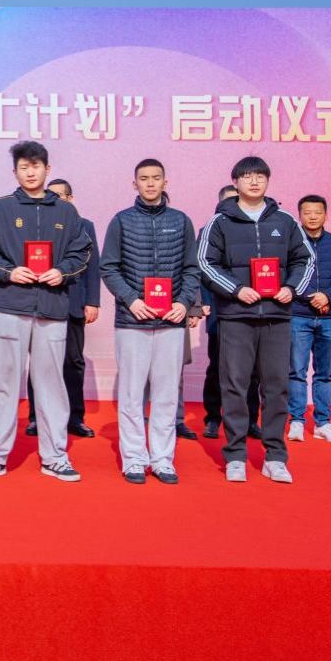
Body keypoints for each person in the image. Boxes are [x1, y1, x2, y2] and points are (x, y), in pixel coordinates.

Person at [0, 141, 92, 482]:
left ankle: (55, 456)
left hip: (52, 308)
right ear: (15, 172)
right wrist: (9, 272)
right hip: (10, 305)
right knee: (4, 383)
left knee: (51, 384)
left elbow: (83, 252)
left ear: (47, 169)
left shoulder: (67, 212)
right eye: (24, 167)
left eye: (36, 166)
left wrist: (62, 272)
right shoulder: (0, 208)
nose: (30, 172)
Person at [198, 156, 315, 484]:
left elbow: (305, 260)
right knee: (234, 385)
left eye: (260, 176)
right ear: (235, 182)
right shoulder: (219, 223)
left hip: (277, 317)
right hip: (236, 317)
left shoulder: (286, 220)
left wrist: (291, 289)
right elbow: (205, 263)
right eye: (247, 176)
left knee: (276, 387)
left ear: (267, 181)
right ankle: (235, 454)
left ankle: (275, 456)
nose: (254, 181)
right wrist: (236, 290)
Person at [100, 159, 201, 484]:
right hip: (132, 321)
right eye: (143, 179)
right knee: (131, 394)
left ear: (165, 182)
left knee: (166, 394)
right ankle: (133, 458)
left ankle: (162, 459)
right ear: (135, 184)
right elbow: (109, 268)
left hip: (171, 322)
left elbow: (191, 269)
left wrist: (183, 303)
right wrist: (132, 300)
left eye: (156, 178)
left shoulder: (181, 221)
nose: (150, 183)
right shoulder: (121, 221)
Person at [25, 178, 100, 438]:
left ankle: (75, 418)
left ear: (70, 199)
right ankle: (36, 417)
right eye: (52, 196)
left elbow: (93, 266)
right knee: (40, 362)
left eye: (61, 196)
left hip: (74, 303)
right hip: (43, 301)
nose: (56, 200)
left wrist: (93, 301)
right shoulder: (39, 224)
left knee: (73, 362)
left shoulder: (85, 225)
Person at [288, 195, 331, 443]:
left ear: (326, 214)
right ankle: (296, 420)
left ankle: (323, 422)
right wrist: (310, 297)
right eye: (307, 212)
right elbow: (286, 275)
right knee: (296, 371)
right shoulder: (291, 243)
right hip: (298, 315)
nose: (313, 216)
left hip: (329, 317)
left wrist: (327, 296)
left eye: (318, 212)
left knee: (325, 373)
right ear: (300, 215)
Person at [200, 184, 261, 439]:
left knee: (252, 370)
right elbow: (201, 271)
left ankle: (250, 420)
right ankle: (213, 418)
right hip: (219, 311)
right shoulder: (208, 230)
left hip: (252, 308)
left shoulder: (256, 229)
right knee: (218, 367)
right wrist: (203, 303)